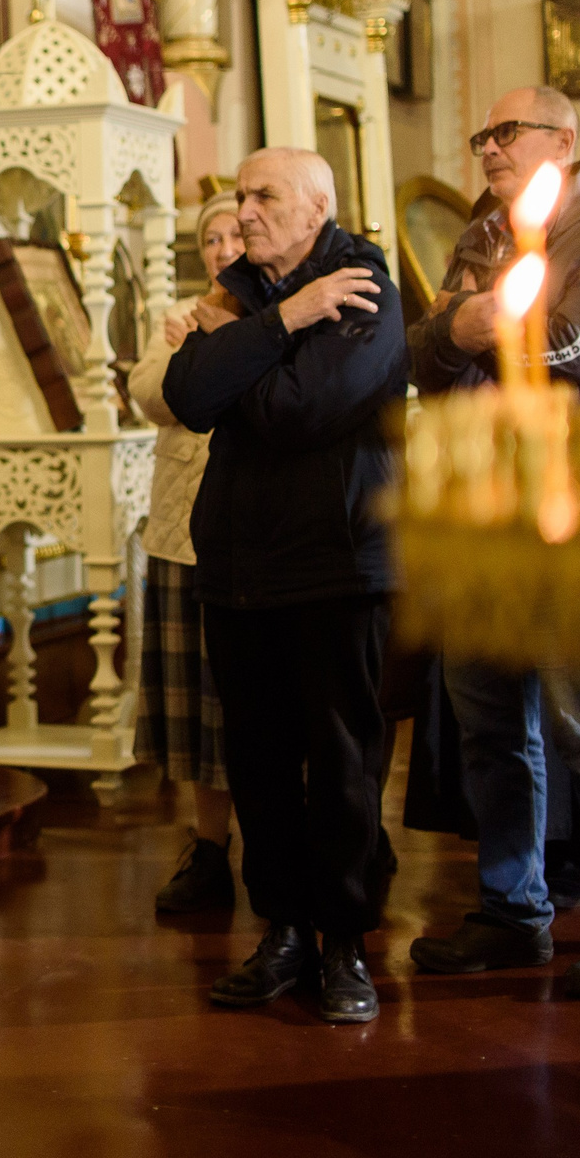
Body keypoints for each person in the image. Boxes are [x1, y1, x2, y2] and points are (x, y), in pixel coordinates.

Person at [405, 86, 580, 1001]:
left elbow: (578, 349)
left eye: (506, 132)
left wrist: (476, 325)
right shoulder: (480, 236)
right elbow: (425, 360)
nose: (488, 148)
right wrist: (460, 327)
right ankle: (514, 910)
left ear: (564, 139)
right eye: (482, 133)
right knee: (489, 726)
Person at [162, 149, 406, 1025]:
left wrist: (238, 361)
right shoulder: (248, 290)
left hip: (337, 560)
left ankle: (344, 941)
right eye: (239, 194)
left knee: (342, 762)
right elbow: (187, 390)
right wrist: (282, 323)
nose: (246, 209)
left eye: (265, 196)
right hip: (239, 563)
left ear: (318, 208)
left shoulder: (365, 283)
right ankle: (284, 931)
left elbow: (304, 409)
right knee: (258, 761)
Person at [127, 191, 243, 915]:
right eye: (211, 239)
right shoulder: (179, 317)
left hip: (250, 537)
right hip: (181, 533)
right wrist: (183, 346)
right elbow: (148, 390)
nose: (223, 248)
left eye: (235, 234)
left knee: (246, 703)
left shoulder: (275, 313)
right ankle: (208, 849)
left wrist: (217, 350)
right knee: (197, 709)